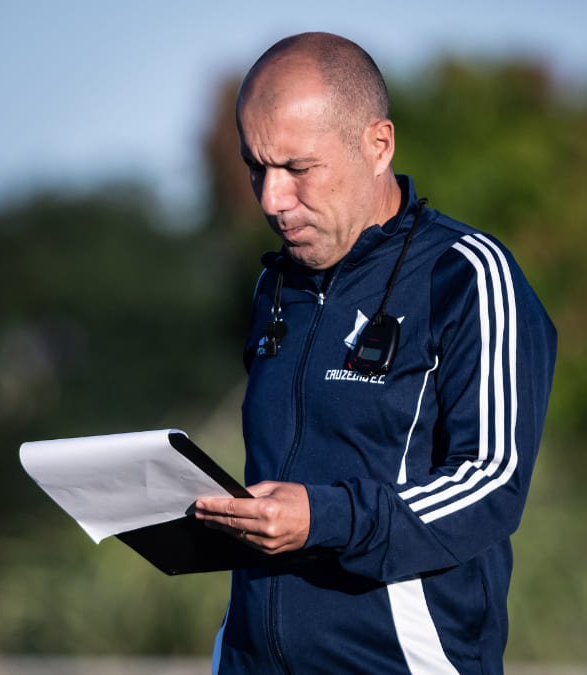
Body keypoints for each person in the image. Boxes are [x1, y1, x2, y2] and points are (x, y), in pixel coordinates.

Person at [191, 33, 557, 673]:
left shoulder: (468, 274)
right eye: (256, 167)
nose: (272, 199)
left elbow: (491, 483)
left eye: (298, 168)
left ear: (378, 145)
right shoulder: (275, 284)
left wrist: (325, 518)